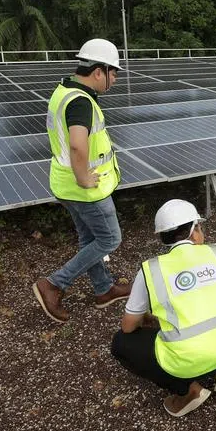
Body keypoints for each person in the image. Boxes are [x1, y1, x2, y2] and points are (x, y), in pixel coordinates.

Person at [110, 199, 216, 417]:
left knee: (122, 343)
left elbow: (129, 327)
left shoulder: (151, 270)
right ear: (195, 230)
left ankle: (188, 391)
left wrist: (150, 317)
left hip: (186, 361)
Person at [33, 38, 130, 323]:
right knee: (110, 238)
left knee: (89, 238)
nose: (114, 79)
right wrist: (84, 177)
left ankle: (103, 289)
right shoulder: (80, 102)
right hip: (85, 189)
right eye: (113, 72)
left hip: (64, 184)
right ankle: (53, 284)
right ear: (98, 71)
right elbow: (77, 144)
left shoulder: (63, 91)